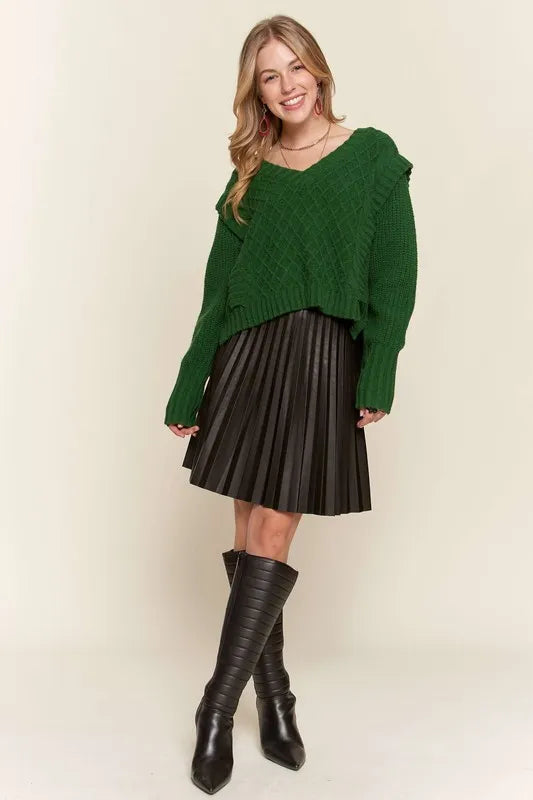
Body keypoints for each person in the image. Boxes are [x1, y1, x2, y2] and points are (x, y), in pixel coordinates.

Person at [164, 14, 418, 795]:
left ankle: (215, 708)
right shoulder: (251, 170)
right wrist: (191, 379)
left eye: (295, 67)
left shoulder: (371, 156)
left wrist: (377, 369)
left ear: (318, 69)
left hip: (320, 358)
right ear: (257, 92)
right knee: (248, 530)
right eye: (268, 76)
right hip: (247, 356)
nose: (286, 85)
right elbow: (218, 289)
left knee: (271, 529)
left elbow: (395, 273)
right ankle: (275, 698)